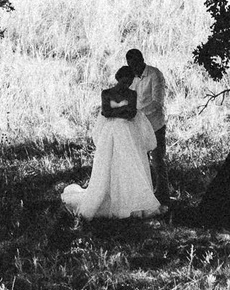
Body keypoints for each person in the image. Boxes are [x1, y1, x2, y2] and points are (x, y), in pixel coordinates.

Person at [59, 64, 162, 220]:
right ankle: (107, 198)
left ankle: (131, 202)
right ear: (118, 78)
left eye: (128, 82)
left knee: (128, 163)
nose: (126, 84)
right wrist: (121, 111)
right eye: (123, 80)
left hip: (127, 132)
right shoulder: (106, 93)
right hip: (111, 132)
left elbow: (131, 113)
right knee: (108, 162)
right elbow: (106, 112)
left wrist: (115, 112)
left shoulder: (132, 94)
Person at [127, 47, 169, 203]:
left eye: (135, 65)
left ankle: (163, 195)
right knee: (141, 161)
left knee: (158, 160)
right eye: (130, 66)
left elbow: (157, 102)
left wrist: (137, 113)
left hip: (155, 124)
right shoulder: (132, 78)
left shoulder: (154, 75)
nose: (133, 69)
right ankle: (147, 194)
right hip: (138, 126)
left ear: (142, 61)